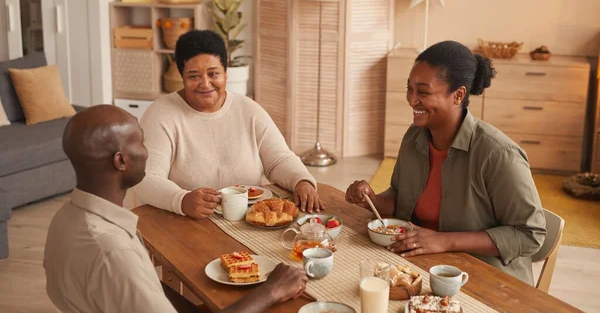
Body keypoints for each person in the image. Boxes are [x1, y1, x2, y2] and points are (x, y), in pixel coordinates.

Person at [43, 105, 308, 313]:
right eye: (141, 142)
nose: (148, 152)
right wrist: (271, 291)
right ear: (121, 160)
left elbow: (142, 291)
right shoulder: (112, 250)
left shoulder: (66, 218)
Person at [345, 41, 546, 285]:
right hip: (423, 268)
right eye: (409, 89)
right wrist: (372, 200)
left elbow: (530, 235)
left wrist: (444, 240)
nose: (412, 100)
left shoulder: (498, 154)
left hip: (487, 281)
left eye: (423, 92)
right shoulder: (414, 137)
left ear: (458, 95)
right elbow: (401, 200)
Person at [133, 30, 323, 219]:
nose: (205, 84)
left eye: (213, 74)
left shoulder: (248, 109)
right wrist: (181, 200)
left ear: (226, 73)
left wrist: (301, 181)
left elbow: (278, 160)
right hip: (184, 221)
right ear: (182, 77)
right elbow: (146, 177)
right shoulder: (160, 114)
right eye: (194, 76)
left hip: (246, 221)